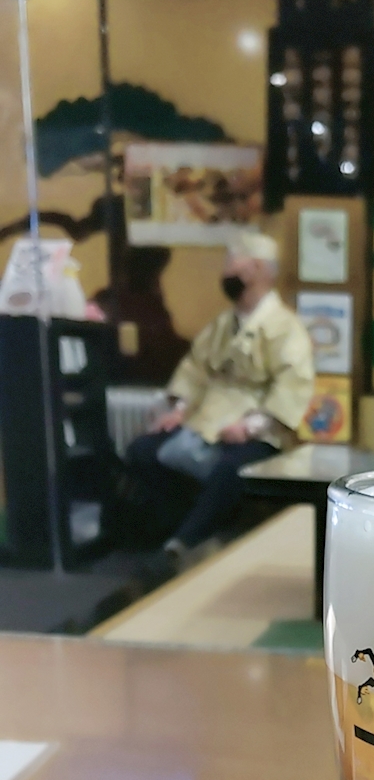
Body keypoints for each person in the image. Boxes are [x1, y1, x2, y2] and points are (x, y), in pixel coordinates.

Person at [124, 231, 314, 572]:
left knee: (232, 468)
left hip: (259, 429)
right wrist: (179, 410)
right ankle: (177, 526)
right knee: (143, 450)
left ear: (258, 270)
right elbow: (195, 370)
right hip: (206, 420)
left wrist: (251, 426)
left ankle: (185, 541)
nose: (226, 273)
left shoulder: (286, 327)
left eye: (234, 266)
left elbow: (292, 385)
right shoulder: (221, 325)